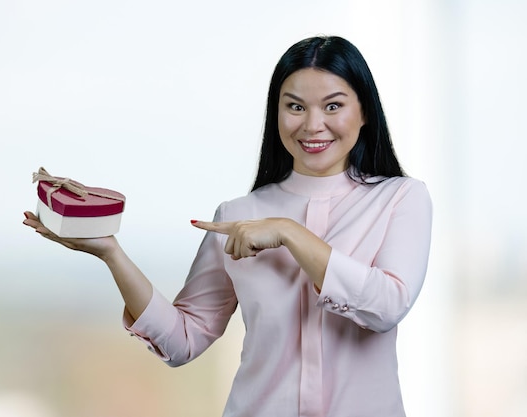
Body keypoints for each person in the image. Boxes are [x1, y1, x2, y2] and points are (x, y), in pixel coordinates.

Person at [23, 35, 432, 417]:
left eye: (332, 106)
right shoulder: (239, 212)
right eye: (294, 107)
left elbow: (386, 306)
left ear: (364, 112)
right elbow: (183, 339)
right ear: (277, 114)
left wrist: (290, 233)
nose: (312, 125)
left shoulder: (401, 199)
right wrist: (111, 253)